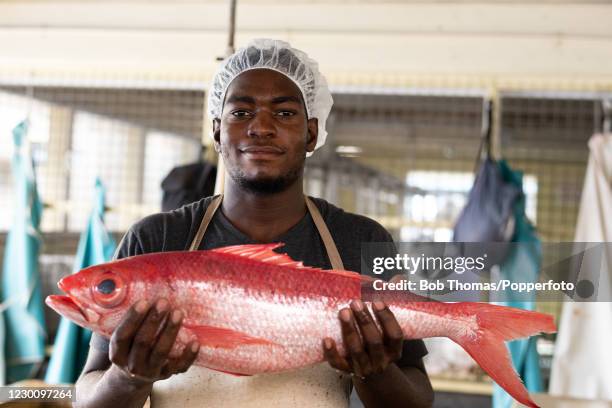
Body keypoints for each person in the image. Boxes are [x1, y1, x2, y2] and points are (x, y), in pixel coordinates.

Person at [74, 39, 434, 408]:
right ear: (217, 131)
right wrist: (130, 376)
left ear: (311, 133)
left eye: (284, 113)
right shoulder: (156, 238)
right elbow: (88, 395)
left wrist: (375, 369)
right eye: (241, 113)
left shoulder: (359, 239)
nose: (261, 127)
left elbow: (417, 400)